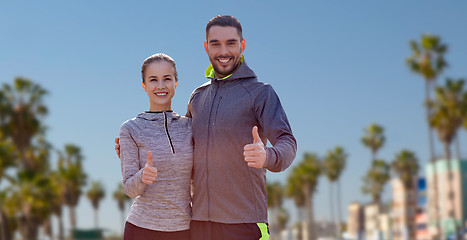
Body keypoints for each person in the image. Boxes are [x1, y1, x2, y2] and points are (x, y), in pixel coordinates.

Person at [116, 15, 296, 240]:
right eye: (215, 44)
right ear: (206, 47)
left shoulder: (260, 93)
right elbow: (185, 146)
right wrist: (133, 149)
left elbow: (288, 142)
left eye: (231, 43)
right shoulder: (198, 97)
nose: (223, 51)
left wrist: (268, 156)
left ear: (242, 45)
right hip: (199, 223)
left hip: (243, 221)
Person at [119, 53, 192, 240]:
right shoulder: (130, 129)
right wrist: (142, 176)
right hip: (142, 229)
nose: (161, 86)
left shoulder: (191, 127)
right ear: (144, 85)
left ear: (176, 82)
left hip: (184, 229)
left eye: (167, 79)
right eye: (153, 80)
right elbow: (129, 189)